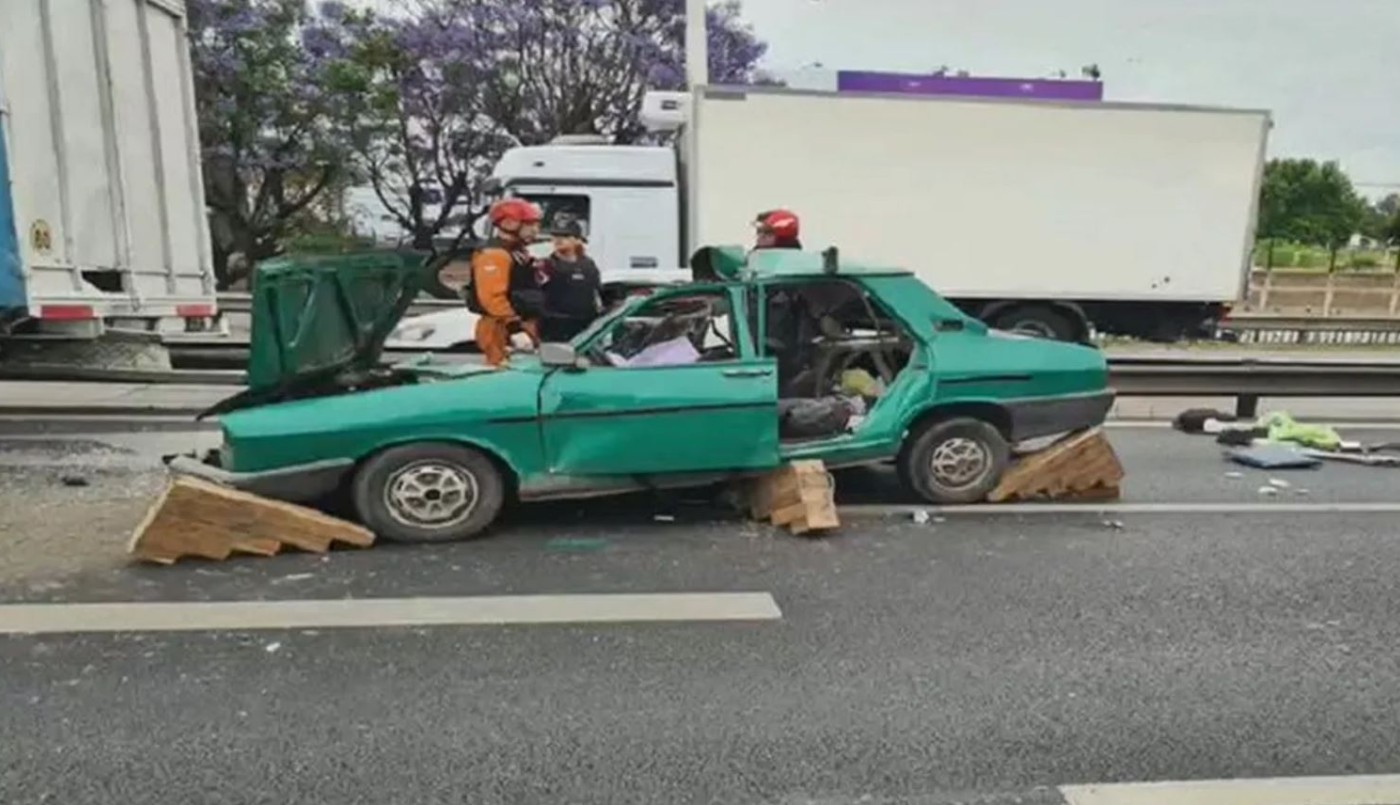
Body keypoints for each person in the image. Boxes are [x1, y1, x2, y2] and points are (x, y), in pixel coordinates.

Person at [450, 198, 545, 366]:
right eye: (530, 225)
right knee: (503, 370)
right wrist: (515, 329)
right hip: (501, 329)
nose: (535, 230)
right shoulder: (494, 255)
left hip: (522, 324)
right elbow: (493, 299)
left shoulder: (517, 253)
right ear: (509, 224)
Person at [539, 219, 603, 343]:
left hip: (585, 325)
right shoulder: (546, 265)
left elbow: (597, 291)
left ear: (577, 240)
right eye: (555, 236)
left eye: (566, 236)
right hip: (555, 326)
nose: (559, 240)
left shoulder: (588, 265)